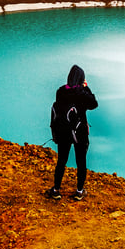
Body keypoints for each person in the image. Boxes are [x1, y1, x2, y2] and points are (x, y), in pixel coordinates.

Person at [46, 64, 98, 202]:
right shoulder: (82, 93)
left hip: (64, 131)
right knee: (81, 161)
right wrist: (86, 87)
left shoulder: (61, 91)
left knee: (61, 160)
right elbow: (94, 104)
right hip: (79, 132)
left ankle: (56, 190)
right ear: (81, 79)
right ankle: (79, 192)